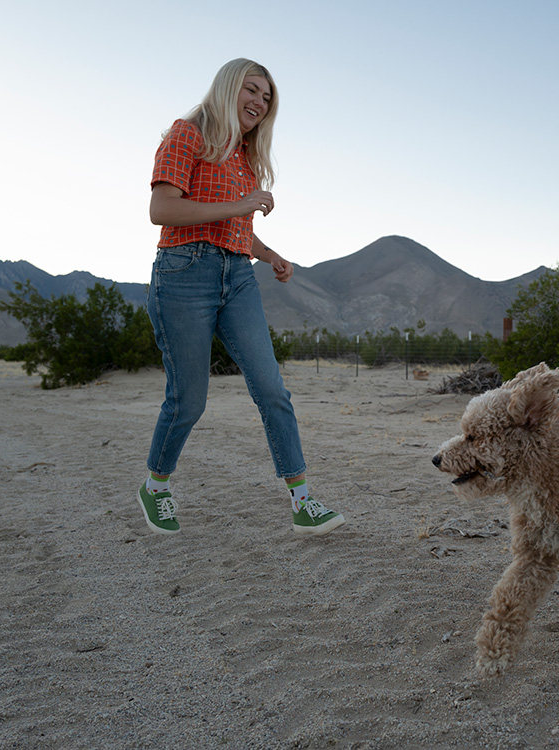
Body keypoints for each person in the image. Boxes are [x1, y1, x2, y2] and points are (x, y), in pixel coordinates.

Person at [137, 58, 345, 536]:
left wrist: (269, 255)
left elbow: (234, 228)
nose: (259, 102)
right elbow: (161, 209)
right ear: (228, 88)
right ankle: (156, 486)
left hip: (238, 275)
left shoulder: (245, 155)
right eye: (251, 90)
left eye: (267, 97)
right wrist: (241, 204)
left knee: (271, 388)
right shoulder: (187, 134)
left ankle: (303, 501)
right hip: (184, 273)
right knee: (189, 400)